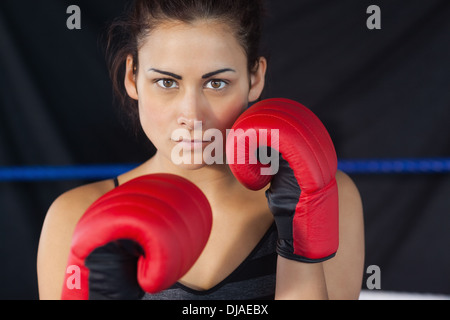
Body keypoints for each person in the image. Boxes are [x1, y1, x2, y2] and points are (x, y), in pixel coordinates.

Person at [37, 0, 364, 300]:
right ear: (132, 77)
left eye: (216, 83)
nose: (192, 115)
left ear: (255, 78)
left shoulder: (325, 195)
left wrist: (299, 243)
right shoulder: (76, 217)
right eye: (166, 82)